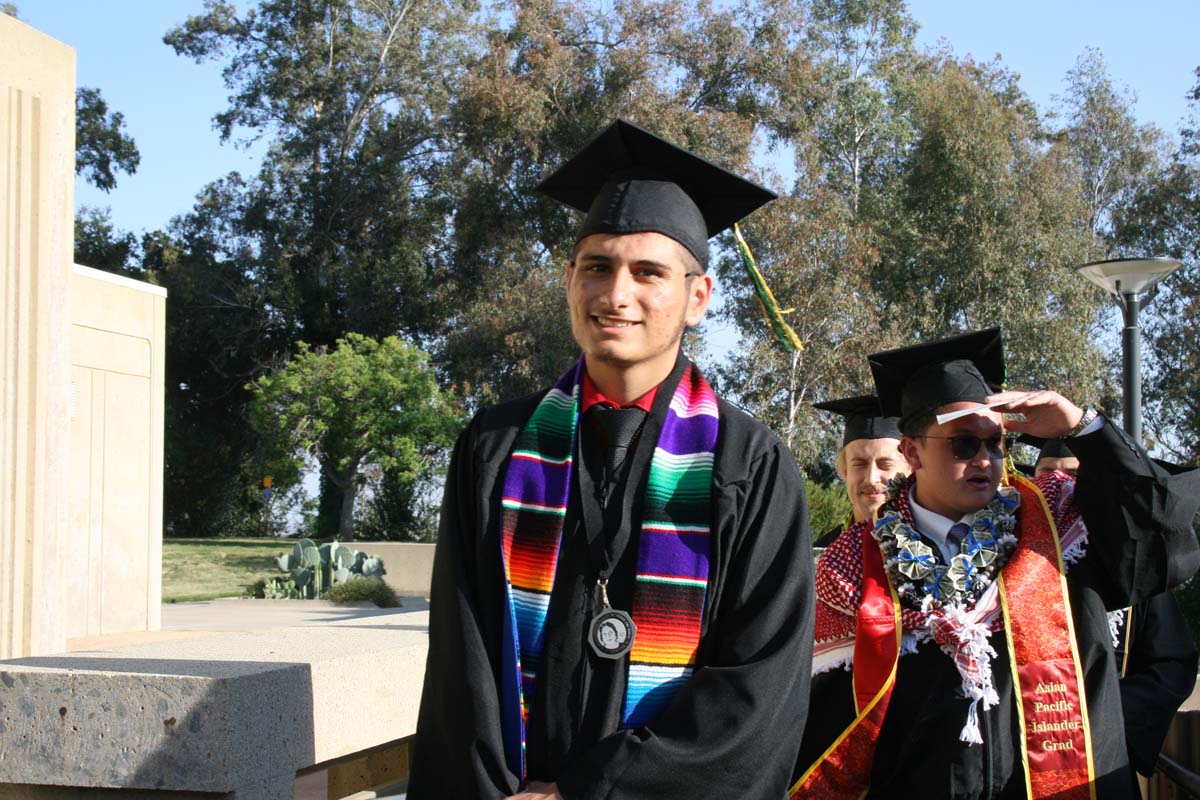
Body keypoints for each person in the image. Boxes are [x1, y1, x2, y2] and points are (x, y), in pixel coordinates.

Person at [409, 119, 815, 800]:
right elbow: (462, 663)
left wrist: (591, 793)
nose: (616, 294)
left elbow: (758, 691)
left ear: (697, 298)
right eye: (597, 266)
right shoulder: (496, 447)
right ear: (569, 280)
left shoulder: (751, 466)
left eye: (648, 272)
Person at [792, 327, 1200, 799]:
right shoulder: (853, 566)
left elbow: (1161, 533)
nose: (985, 459)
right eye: (964, 444)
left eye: (996, 444)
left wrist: (1082, 427)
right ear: (911, 451)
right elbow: (827, 729)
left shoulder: (1059, 524)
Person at [1030, 438, 1199, 791]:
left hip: (1101, 755)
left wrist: (1101, 715)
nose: (1059, 483)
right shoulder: (1010, 560)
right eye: (1047, 472)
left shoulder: (1131, 567)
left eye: (1073, 474)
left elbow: (1171, 661)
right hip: (1023, 748)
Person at [811, 395, 908, 549]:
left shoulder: (935, 554)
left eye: (885, 464)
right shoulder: (820, 558)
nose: (871, 478)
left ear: (911, 469)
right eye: (860, 464)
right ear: (844, 470)